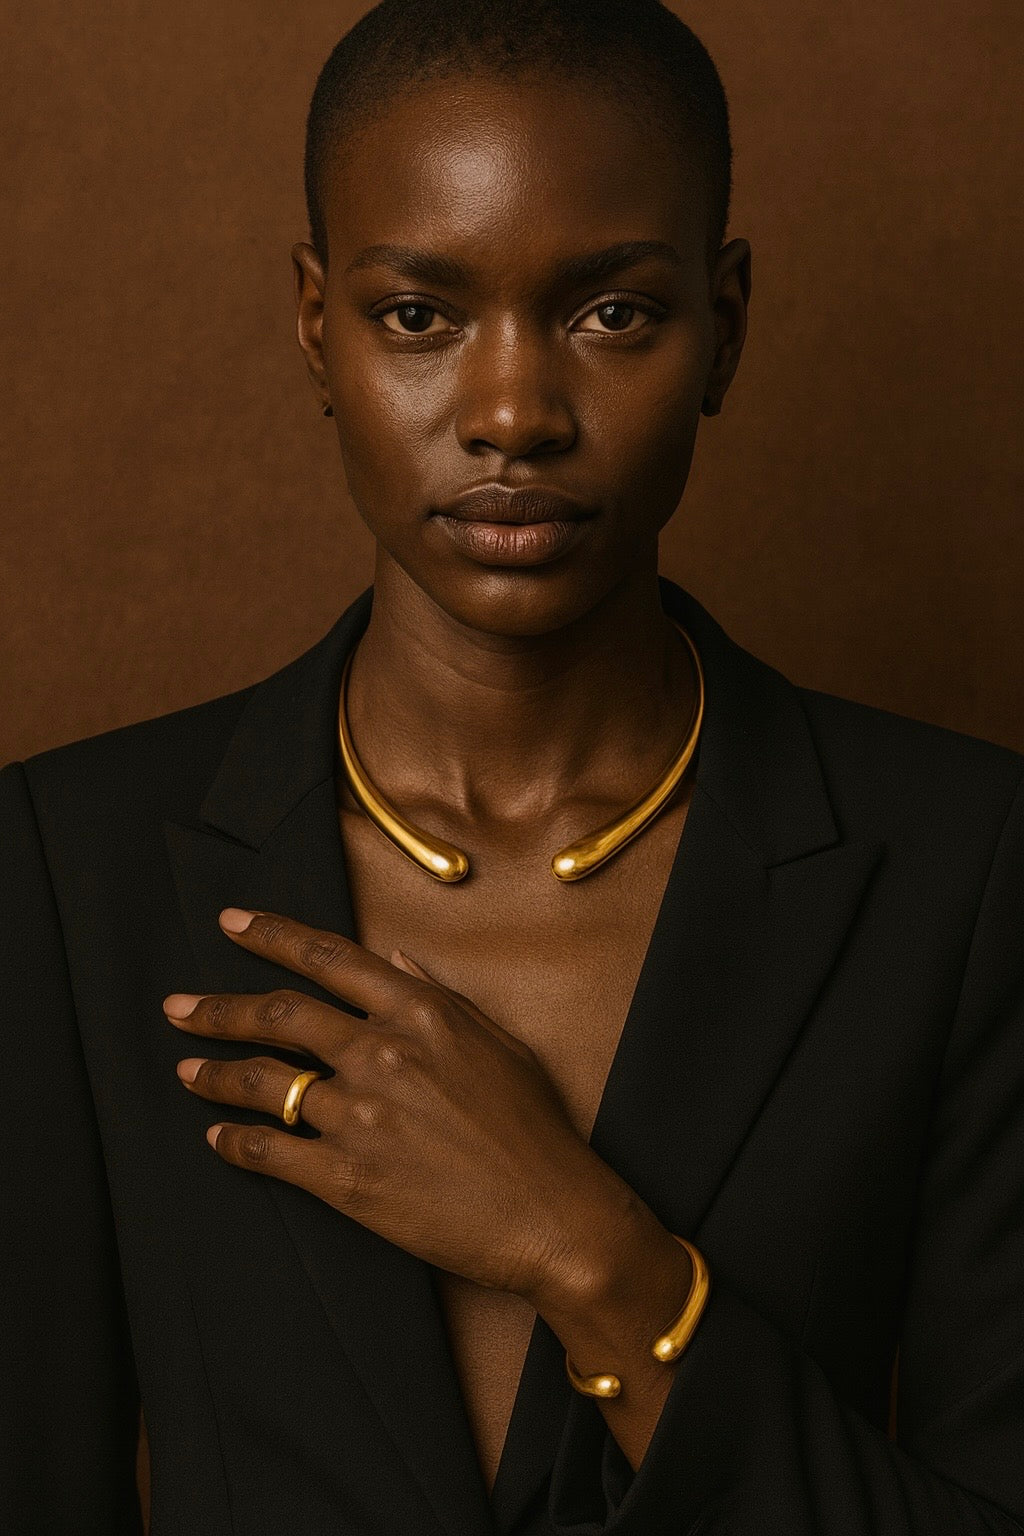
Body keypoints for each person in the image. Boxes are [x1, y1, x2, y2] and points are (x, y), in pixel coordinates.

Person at [3, 1, 1023, 1531]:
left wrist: (592, 1261)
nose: (510, 415)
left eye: (611, 313)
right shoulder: (65, 869)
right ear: (313, 323)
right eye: (420, 314)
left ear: (724, 326)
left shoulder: (968, 869)